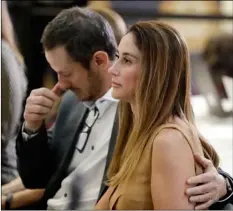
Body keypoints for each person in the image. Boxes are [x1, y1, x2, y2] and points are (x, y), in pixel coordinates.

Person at [16, 7, 233, 210]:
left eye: (66, 73)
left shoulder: (157, 127)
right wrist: (32, 127)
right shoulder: (109, 112)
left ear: (99, 60)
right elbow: (37, 178)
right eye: (119, 57)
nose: (60, 84)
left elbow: (192, 163)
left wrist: (224, 184)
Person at [95, 20, 233, 210]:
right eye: (118, 57)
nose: (112, 69)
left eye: (126, 60)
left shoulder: (168, 141)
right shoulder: (138, 128)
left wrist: (225, 184)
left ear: (155, 71)